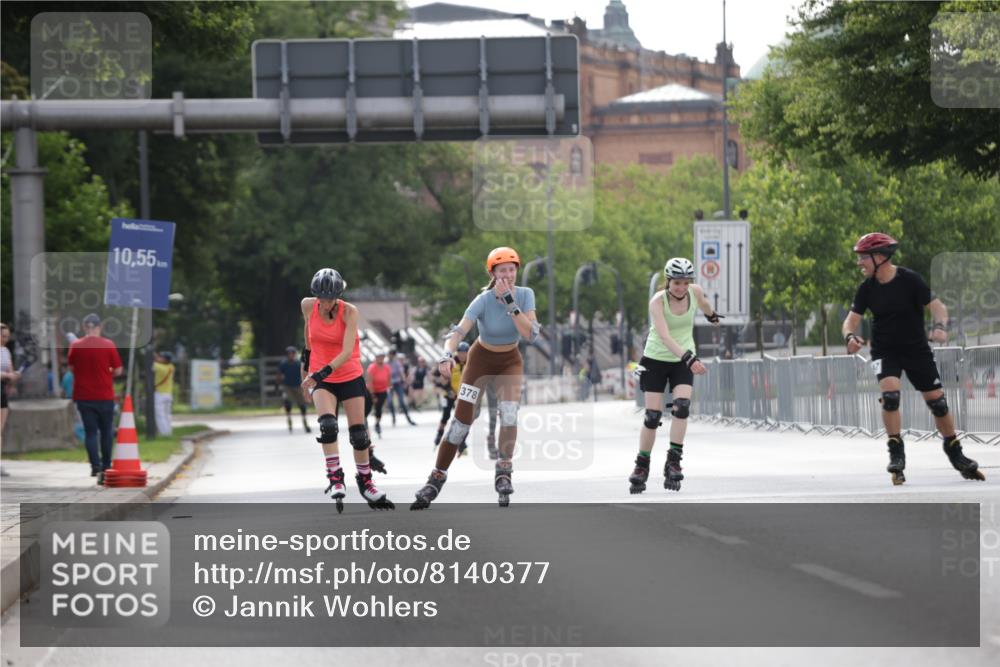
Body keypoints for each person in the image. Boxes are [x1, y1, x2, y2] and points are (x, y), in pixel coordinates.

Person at [842, 233, 984, 485]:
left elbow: (938, 307)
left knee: (938, 403)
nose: (859, 262)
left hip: (917, 350)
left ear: (880, 257)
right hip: (884, 352)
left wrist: (940, 327)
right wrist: (850, 337)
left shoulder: (910, 280)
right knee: (890, 396)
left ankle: (955, 452)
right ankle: (896, 452)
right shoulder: (866, 289)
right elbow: (850, 321)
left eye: (863, 257)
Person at [412, 247, 539, 509]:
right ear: (492, 273)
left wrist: (511, 305)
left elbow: (530, 334)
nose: (508, 275)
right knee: (461, 422)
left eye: (512, 270)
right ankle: (436, 477)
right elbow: (457, 333)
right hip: (480, 360)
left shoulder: (525, 296)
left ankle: (504, 470)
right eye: (502, 270)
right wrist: (447, 356)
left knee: (510, 412)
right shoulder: (482, 300)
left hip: (509, 361)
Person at [300, 268, 394, 512]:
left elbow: (345, 352)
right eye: (322, 297)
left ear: (339, 295)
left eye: (331, 298)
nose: (326, 302)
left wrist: (319, 373)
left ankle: (366, 483)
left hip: (349, 374)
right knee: (328, 426)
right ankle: (335, 476)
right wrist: (306, 373)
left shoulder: (349, 312)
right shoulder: (308, 306)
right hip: (321, 377)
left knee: (359, 434)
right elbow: (308, 343)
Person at [628, 258, 722, 494]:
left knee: (681, 407)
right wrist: (690, 359)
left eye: (685, 282)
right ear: (668, 281)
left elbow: (705, 304)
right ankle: (642, 464)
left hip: (682, 361)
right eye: (676, 283)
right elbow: (665, 336)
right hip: (657, 358)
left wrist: (712, 317)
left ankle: (674, 460)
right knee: (652, 416)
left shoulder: (695, 292)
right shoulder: (657, 302)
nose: (681, 287)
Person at [67, 314, 123, 484]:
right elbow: (119, 370)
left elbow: (71, 367)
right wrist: (107, 372)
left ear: (85, 327)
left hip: (84, 396)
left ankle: (95, 466)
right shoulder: (108, 344)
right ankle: (107, 466)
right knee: (106, 431)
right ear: (100, 327)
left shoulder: (76, 345)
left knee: (90, 432)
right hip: (105, 395)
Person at [432, 342, 469, 451]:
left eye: (464, 353)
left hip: (462, 394)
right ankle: (439, 434)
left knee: (462, 418)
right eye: (460, 353)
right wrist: (449, 390)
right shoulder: (452, 362)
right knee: (446, 415)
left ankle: (462, 440)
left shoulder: (470, 362)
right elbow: (443, 379)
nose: (462, 355)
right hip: (450, 393)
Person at [277, 346, 311, 434]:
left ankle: (305, 423)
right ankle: (289, 421)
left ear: (295, 354)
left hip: (298, 386)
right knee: (287, 403)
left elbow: (304, 373)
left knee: (302, 405)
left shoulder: (299, 363)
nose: (291, 355)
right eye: (289, 354)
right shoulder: (283, 364)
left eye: (292, 353)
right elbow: (279, 375)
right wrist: (278, 385)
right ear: (287, 355)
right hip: (287, 386)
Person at [1, 323, 20, 477]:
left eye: (7, 336)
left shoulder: (6, 351)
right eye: (3, 336)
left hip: (2, 391)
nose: (5, 339)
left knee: (0, 429)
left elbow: (10, 370)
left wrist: (13, 376)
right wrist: (7, 375)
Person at [365, 351, 391, 438]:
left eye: (382, 357)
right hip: (371, 390)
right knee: (368, 408)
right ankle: (364, 422)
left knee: (379, 407)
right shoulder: (372, 367)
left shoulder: (387, 367)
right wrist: (372, 395)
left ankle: (377, 424)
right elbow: (369, 382)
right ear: (376, 358)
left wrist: (389, 387)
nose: (381, 359)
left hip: (382, 390)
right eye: (379, 357)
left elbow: (389, 379)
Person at [387, 352, 416, 426]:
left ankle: (408, 418)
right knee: (390, 401)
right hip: (389, 384)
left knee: (401, 402)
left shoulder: (397, 363)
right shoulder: (386, 363)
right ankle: (393, 417)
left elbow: (402, 373)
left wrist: (405, 383)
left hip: (398, 384)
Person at [153, 351, 175, 437]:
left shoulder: (158, 367)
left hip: (159, 394)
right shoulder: (171, 367)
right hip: (168, 394)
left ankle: (164, 433)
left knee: (159, 414)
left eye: (161, 357)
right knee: (167, 414)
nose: (159, 358)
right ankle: (168, 432)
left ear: (165, 359)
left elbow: (152, 363)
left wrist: (154, 357)